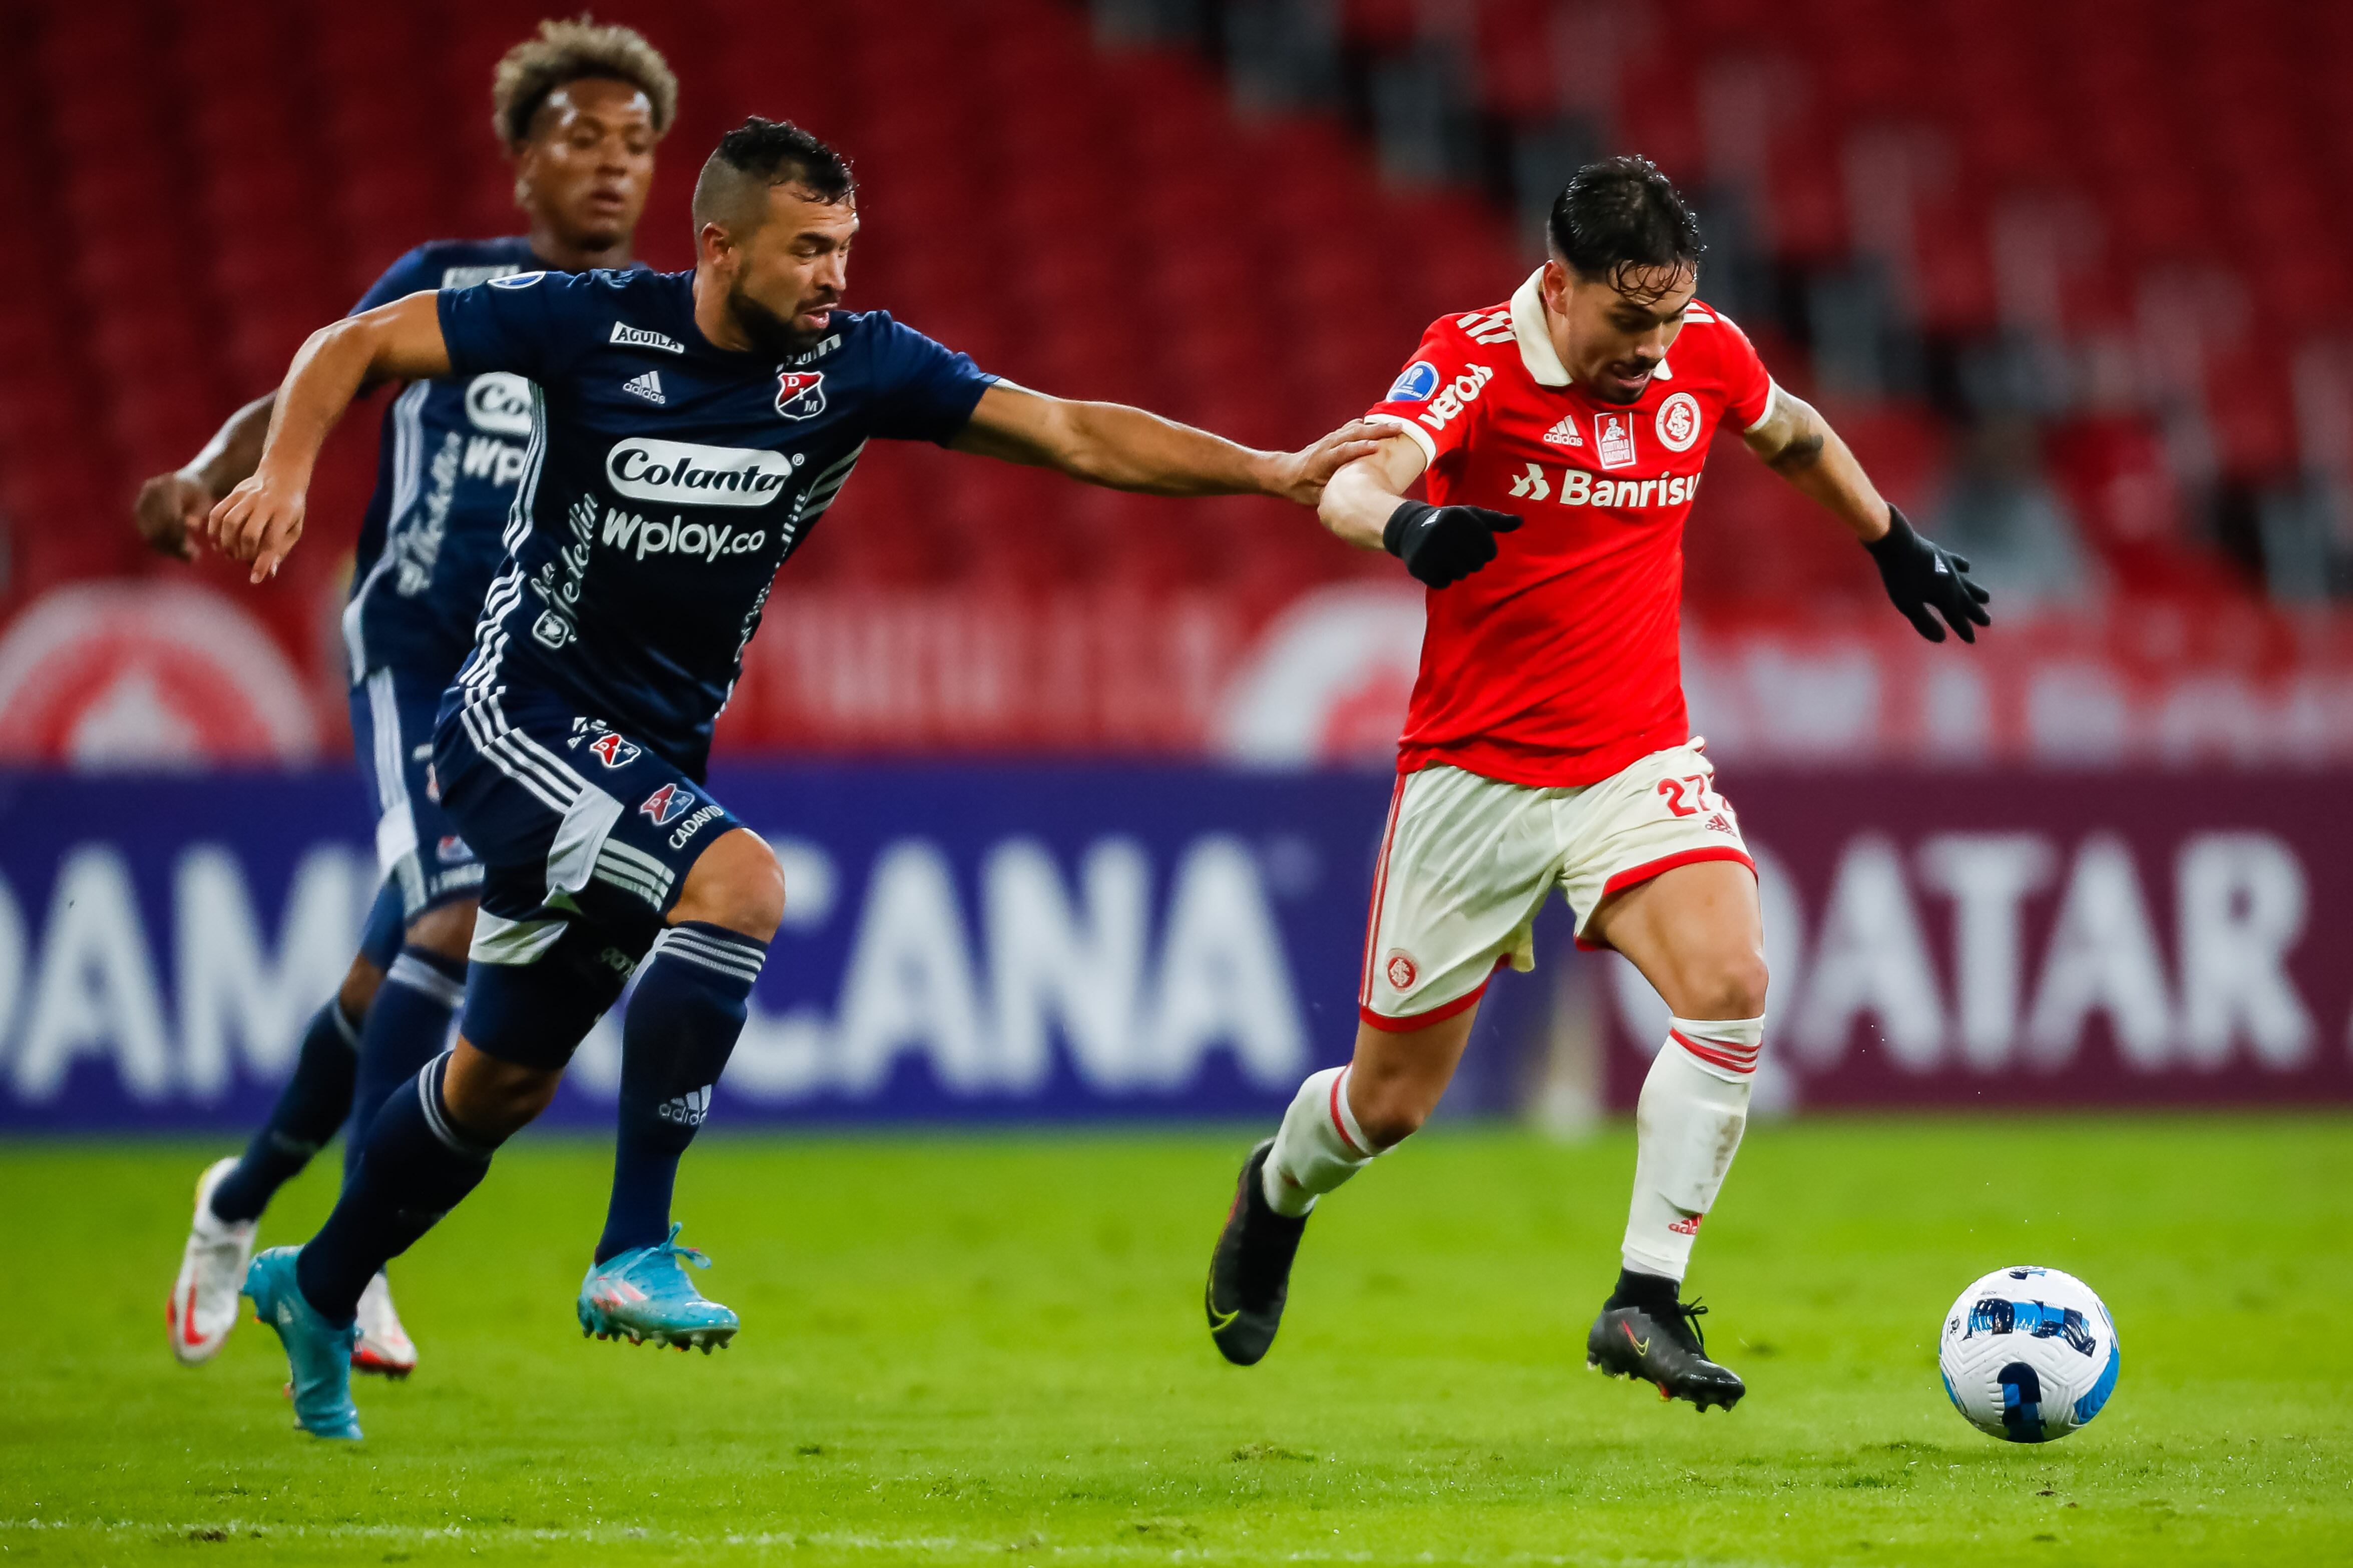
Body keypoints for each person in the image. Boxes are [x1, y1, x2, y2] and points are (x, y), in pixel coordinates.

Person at [205, 115, 1384, 1439]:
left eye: (845, 245)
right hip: (515, 718)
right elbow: (358, 343)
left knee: (498, 1081)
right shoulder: (593, 324)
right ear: (719, 247)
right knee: (740, 882)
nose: (835, 273)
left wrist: (1270, 472)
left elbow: (1065, 430)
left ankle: (316, 1279)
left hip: (645, 752)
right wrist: (288, 473)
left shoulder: (859, 365)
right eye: (807, 248)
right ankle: (634, 1245)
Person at [1203, 155, 1990, 1409]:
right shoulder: (1467, 357)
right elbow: (1350, 481)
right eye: (1629, 323)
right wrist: (1411, 528)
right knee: (1388, 1106)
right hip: (1473, 775)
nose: (1652, 349)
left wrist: (1888, 538)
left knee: (1729, 981)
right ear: (1557, 286)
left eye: (1670, 318)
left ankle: (1644, 1299)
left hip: (1635, 754)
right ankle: (1276, 1188)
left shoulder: (1701, 350)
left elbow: (1791, 431)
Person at [151, 18, 678, 1380]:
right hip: (415, 652)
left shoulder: (653, 332)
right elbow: (317, 370)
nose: (613, 167)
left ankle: (236, 1197)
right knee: (455, 909)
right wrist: (217, 470)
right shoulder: (454, 284)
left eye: (636, 145)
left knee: (397, 959)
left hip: (537, 681)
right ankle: (356, 1256)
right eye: (582, 138)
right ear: (521, 163)